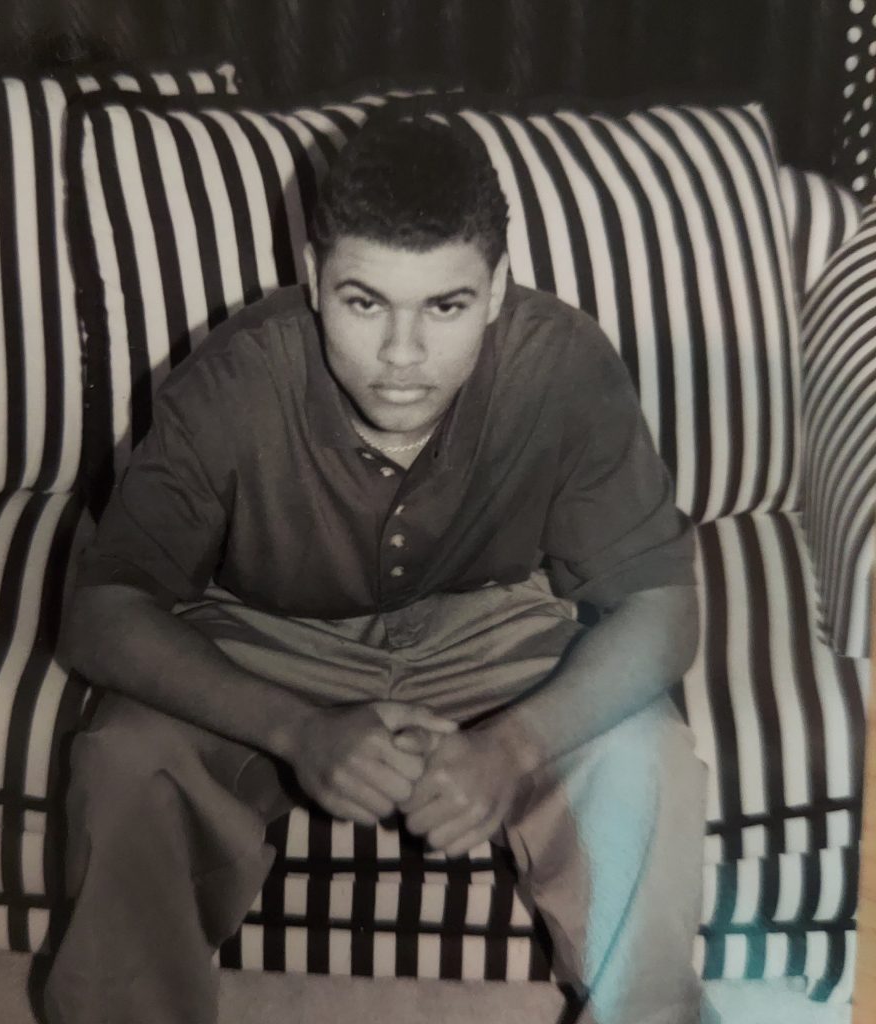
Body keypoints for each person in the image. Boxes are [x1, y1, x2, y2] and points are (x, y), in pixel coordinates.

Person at [42, 115, 710, 1024]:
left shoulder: (565, 365)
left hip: (492, 620)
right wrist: (295, 729)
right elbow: (102, 611)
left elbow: (664, 608)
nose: (403, 357)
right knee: (127, 757)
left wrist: (509, 749)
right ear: (313, 282)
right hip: (270, 632)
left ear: (497, 289)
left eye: (445, 306)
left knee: (649, 757)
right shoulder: (232, 381)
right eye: (365, 303)